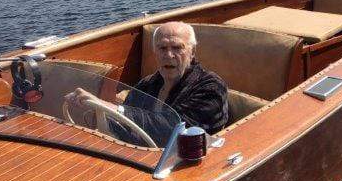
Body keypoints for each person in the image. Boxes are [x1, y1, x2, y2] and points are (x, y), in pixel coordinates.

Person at [65, 21, 228, 145]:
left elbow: (177, 129)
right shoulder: (148, 84)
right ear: (155, 53)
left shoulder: (211, 86)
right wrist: (95, 110)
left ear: (192, 52)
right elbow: (125, 119)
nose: (169, 55)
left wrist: (108, 106)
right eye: (162, 48)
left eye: (177, 48)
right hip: (141, 157)